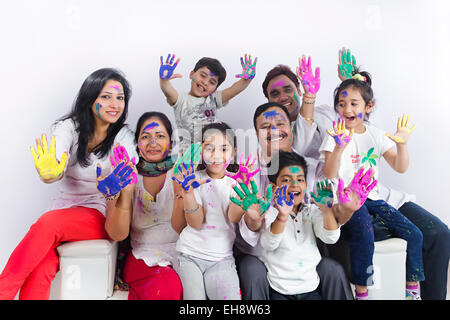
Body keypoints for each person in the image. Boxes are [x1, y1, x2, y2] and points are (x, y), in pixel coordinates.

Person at [0, 68, 137, 299]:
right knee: (42, 265)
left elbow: (127, 170)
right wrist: (50, 172)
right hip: (62, 213)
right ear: (90, 97)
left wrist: (118, 182)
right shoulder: (69, 128)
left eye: (120, 97)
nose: (114, 103)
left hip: (100, 216)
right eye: (106, 96)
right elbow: (55, 160)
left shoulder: (123, 137)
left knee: (48, 224)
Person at [232, 102, 354, 300]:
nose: (274, 130)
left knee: (332, 268)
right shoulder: (247, 171)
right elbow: (250, 231)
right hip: (260, 256)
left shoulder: (310, 168)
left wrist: (348, 208)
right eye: (265, 127)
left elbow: (331, 214)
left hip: (301, 259)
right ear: (256, 135)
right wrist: (256, 218)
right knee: (252, 270)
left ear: (291, 129)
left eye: (281, 124)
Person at [320, 71, 425, 299]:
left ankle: (412, 291)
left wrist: (403, 145)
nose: (347, 109)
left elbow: (400, 166)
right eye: (342, 104)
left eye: (354, 103)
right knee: (364, 233)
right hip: (346, 201)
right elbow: (327, 172)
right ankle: (362, 292)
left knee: (414, 234)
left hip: (372, 198)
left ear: (368, 107)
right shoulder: (334, 135)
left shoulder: (375, 134)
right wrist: (338, 147)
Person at [257, 151, 376, 300]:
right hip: (279, 290)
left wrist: (326, 210)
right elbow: (269, 244)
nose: (295, 184)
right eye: (286, 180)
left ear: (306, 185)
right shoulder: (270, 213)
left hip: (310, 289)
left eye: (300, 180)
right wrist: (282, 216)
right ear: (274, 188)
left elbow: (330, 237)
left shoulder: (311, 211)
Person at [103, 112, 183, 300]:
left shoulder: (181, 172)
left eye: (160, 136)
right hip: (142, 258)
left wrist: (183, 192)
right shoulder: (125, 174)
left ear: (170, 143)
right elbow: (117, 234)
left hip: (183, 255)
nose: (153, 142)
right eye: (145, 137)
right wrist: (126, 192)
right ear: (137, 144)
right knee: (165, 283)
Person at [172, 122, 242, 300]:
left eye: (224, 149)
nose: (216, 155)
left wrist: (244, 195)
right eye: (209, 148)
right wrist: (187, 193)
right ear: (200, 152)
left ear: (233, 153)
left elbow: (233, 217)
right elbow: (195, 222)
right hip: (189, 256)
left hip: (222, 258)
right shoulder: (193, 179)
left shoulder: (236, 185)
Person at [159, 53, 256, 151]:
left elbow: (233, 90)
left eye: (212, 82)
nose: (205, 83)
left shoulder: (213, 99)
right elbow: (168, 91)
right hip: (188, 156)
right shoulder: (180, 100)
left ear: (215, 89)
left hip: (212, 153)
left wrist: (246, 80)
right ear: (192, 74)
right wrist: (164, 80)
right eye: (203, 75)